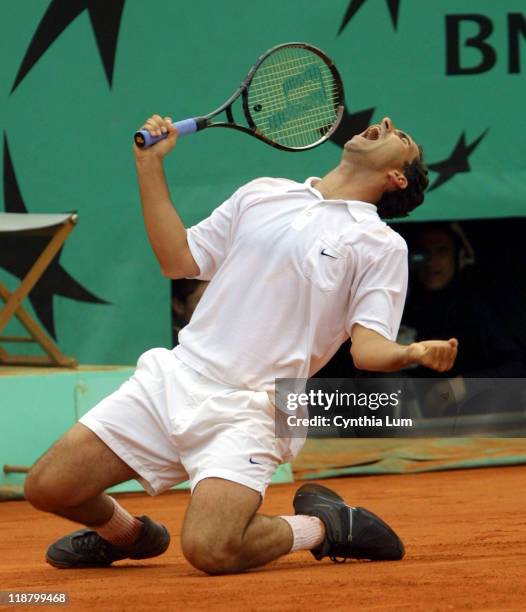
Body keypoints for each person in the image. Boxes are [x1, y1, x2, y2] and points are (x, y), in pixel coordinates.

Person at [24, 115, 458, 574]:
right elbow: (179, 260)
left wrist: (410, 353)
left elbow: (366, 348)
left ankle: (325, 527)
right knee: (47, 487)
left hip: (255, 406)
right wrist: (148, 164)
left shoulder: (380, 244)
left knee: (212, 549)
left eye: (402, 136)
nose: (386, 122)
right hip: (176, 377)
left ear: (396, 177)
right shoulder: (263, 192)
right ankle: (128, 535)